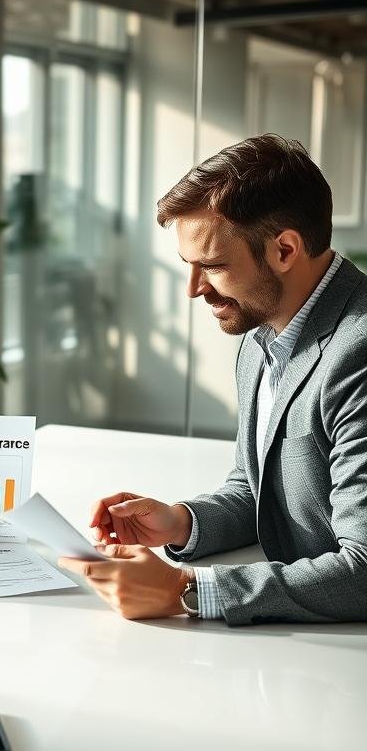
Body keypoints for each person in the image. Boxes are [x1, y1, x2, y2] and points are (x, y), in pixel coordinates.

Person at [60, 134, 367, 625]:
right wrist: (180, 523)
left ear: (285, 249)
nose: (194, 288)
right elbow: (258, 489)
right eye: (189, 266)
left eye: (215, 266)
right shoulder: (263, 334)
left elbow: (363, 568)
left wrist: (187, 591)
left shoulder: (358, 352)